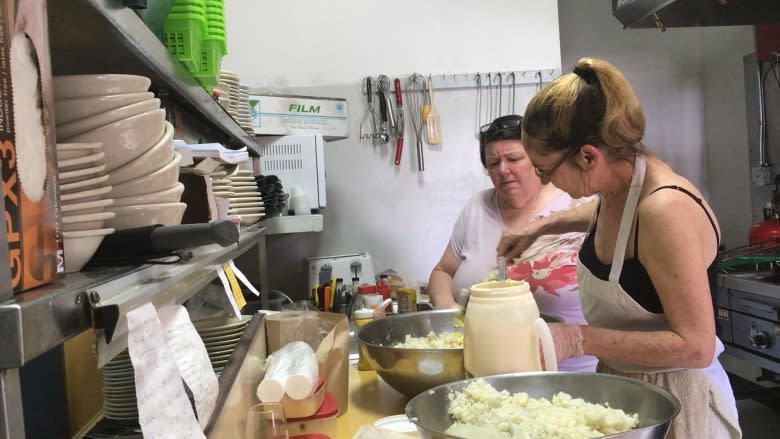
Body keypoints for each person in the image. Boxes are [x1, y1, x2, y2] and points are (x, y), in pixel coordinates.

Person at [497, 57, 741, 438]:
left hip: (678, 405)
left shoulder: (664, 211)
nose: (546, 182)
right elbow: (607, 219)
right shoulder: (616, 187)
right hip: (627, 395)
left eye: (546, 171)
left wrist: (579, 339)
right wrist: (541, 227)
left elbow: (696, 346)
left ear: (588, 156)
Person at [428, 114, 597, 372]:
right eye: (493, 163)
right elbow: (442, 272)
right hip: (486, 375)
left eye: (514, 159)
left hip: (569, 374)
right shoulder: (477, 208)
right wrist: (449, 313)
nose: (503, 170)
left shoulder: (577, 207)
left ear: (537, 162)